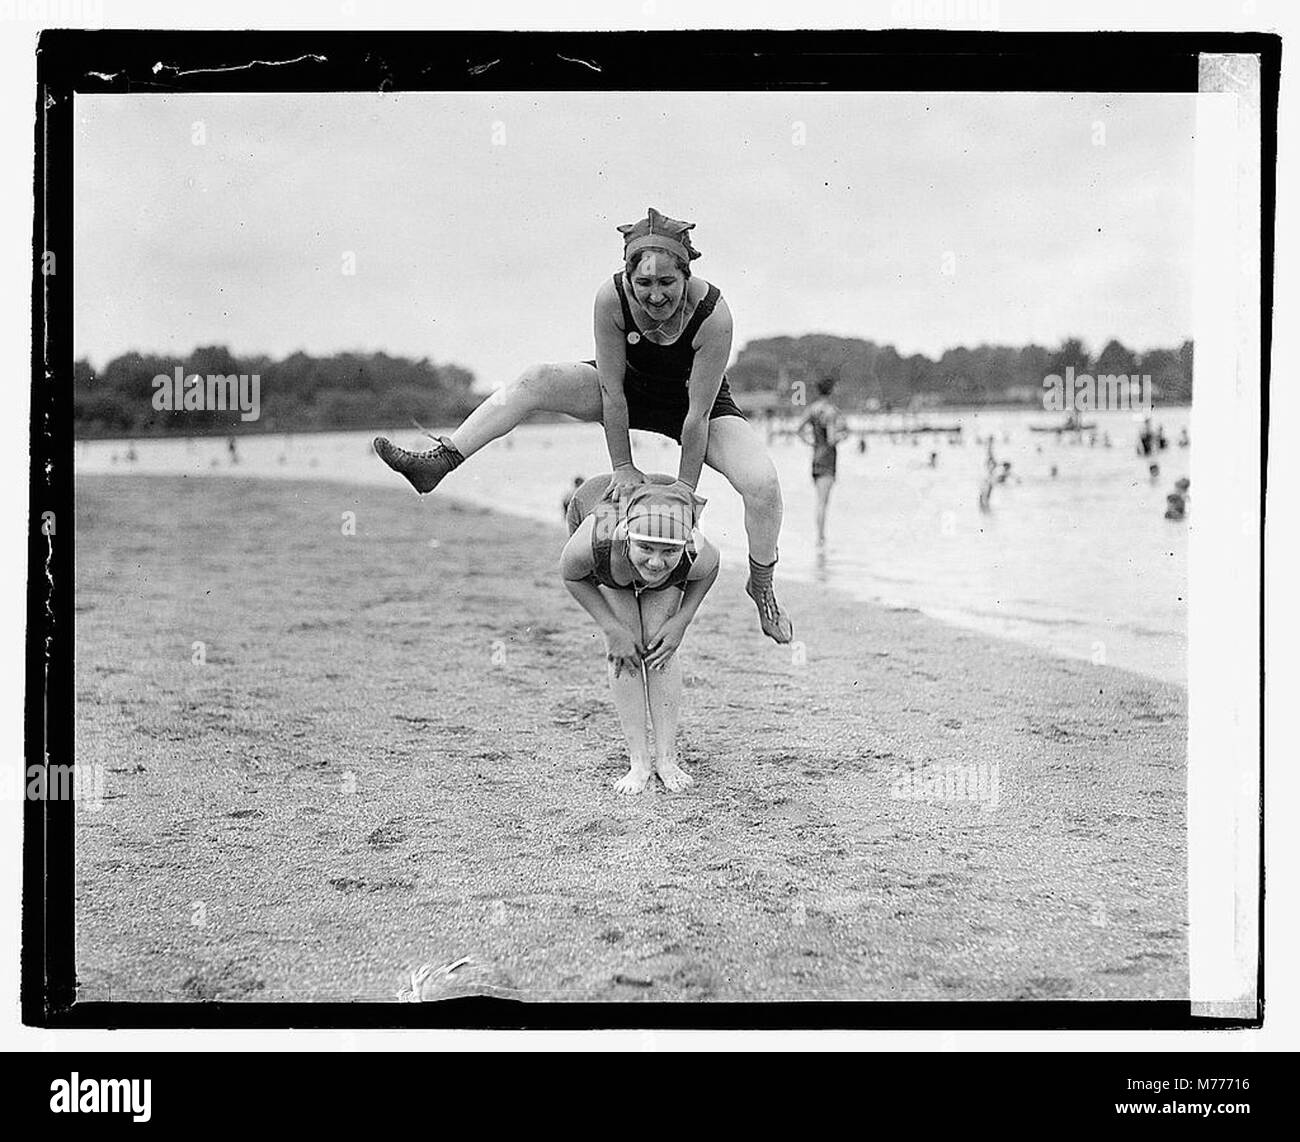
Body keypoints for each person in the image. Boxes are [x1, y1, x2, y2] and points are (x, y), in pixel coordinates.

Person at [372, 207, 791, 643]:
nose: (656, 295)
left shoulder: (713, 313)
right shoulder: (610, 299)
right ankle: (440, 461)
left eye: (667, 282)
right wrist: (624, 468)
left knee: (763, 484)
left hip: (695, 404)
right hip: (627, 390)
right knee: (537, 379)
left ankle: (762, 584)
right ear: (628, 278)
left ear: (685, 275)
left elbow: (697, 415)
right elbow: (612, 392)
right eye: (643, 283)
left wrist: (685, 488)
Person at [560, 474, 719, 795]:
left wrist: (682, 622)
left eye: (668, 553)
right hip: (603, 520)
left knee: (659, 642)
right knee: (626, 644)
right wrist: (611, 628)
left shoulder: (696, 550)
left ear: (685, 546)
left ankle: (667, 759)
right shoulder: (597, 540)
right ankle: (639, 762)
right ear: (628, 538)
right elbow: (571, 574)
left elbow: (710, 571)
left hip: (663, 504)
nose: (656, 562)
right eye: (646, 548)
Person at [795, 376, 845, 547]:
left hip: (815, 457)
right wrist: (843, 436)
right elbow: (831, 439)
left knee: (819, 500)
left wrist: (811, 443)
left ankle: (820, 537)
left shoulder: (812, 409)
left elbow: (799, 430)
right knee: (823, 502)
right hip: (828, 459)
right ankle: (821, 538)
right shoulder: (831, 411)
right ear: (831, 391)